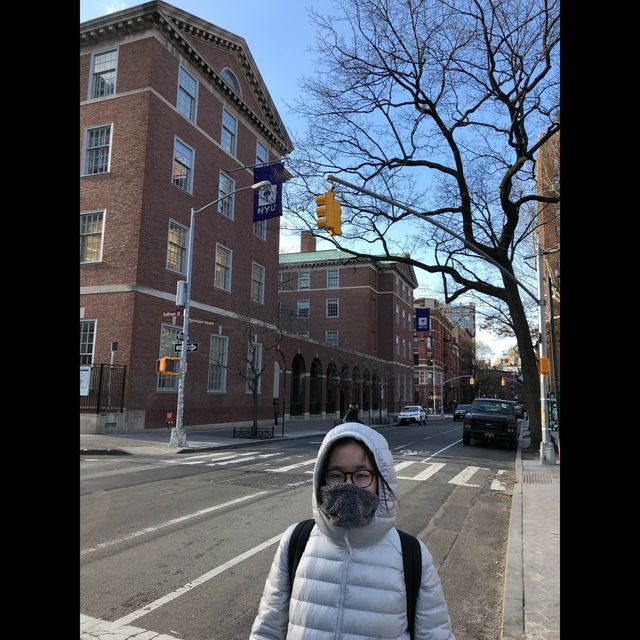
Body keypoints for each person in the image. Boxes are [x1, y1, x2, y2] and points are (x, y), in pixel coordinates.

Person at [249, 422, 456, 639]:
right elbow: (267, 631)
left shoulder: (412, 556)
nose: (348, 486)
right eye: (336, 475)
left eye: (361, 475)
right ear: (321, 479)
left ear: (380, 480)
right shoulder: (295, 543)